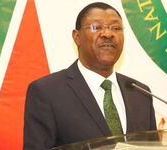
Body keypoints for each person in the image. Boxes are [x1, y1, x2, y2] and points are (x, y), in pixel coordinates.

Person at [23, 2, 157, 150]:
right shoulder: (47, 92)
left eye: (116, 28)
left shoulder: (139, 92)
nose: (108, 34)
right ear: (77, 37)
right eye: (96, 27)